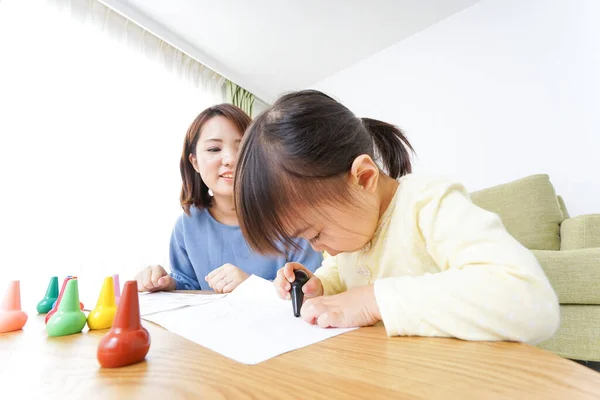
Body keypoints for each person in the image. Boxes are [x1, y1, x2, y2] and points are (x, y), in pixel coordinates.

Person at [233, 90, 560, 344]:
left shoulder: (427, 204)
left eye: (315, 233)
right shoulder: (348, 243)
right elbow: (338, 277)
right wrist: (319, 288)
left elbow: (530, 300)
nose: (322, 249)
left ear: (363, 178)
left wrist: (373, 299)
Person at [135, 104, 323, 293]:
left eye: (241, 148)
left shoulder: (292, 218)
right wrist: (166, 283)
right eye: (214, 149)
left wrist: (250, 286)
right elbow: (189, 284)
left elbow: (314, 289)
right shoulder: (187, 224)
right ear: (195, 162)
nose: (230, 159)